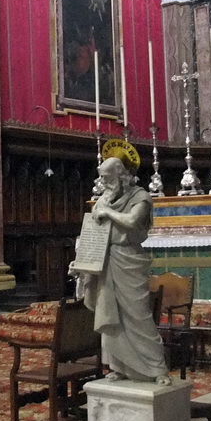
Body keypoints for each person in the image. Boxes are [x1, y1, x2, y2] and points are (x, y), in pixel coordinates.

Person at [71, 157, 170, 385]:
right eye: (101, 177)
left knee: (139, 316)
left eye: (106, 177)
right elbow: (93, 234)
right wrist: (81, 263)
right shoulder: (104, 200)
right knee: (110, 315)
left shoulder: (141, 197)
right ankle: (118, 366)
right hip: (107, 261)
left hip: (129, 259)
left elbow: (133, 221)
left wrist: (109, 213)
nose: (102, 182)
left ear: (120, 174)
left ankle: (157, 368)